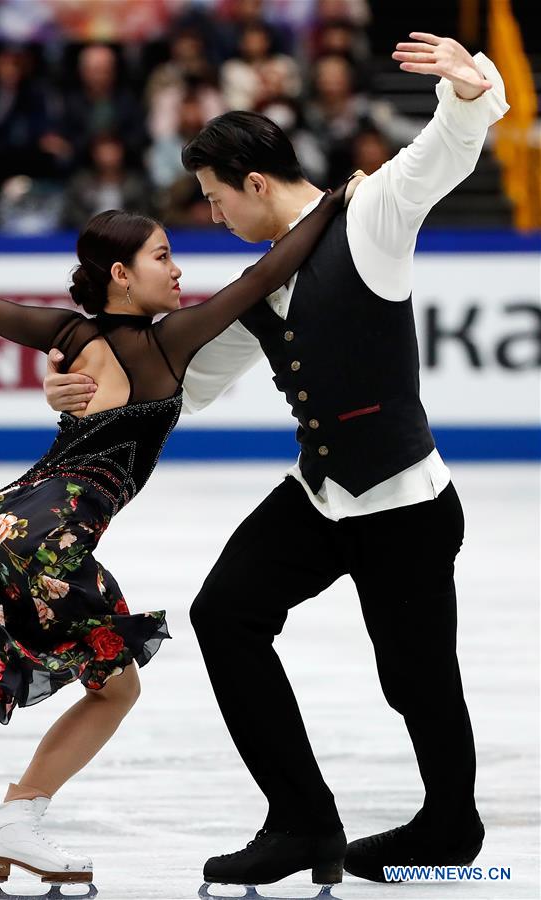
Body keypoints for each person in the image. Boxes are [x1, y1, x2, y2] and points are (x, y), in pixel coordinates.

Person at [0, 176, 358, 900]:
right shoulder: (168, 346)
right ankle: (14, 818)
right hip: (47, 540)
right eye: (163, 256)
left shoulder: (71, 335)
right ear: (122, 274)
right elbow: (264, 276)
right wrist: (334, 201)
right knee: (114, 686)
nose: (178, 270)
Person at [42, 32, 508, 891]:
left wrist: (469, 88)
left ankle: (452, 824)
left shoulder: (369, 215)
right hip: (321, 495)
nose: (212, 217)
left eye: (215, 199)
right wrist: (81, 384)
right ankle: (301, 821)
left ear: (255, 183)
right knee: (226, 615)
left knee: (415, 678)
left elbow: (446, 150)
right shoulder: (259, 286)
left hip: (404, 502)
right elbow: (175, 382)